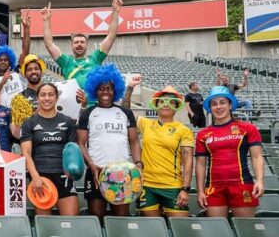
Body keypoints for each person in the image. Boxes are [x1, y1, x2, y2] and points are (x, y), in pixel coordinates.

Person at [77, 64, 141, 220]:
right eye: (101, 88)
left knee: (121, 219)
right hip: (96, 172)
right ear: (95, 91)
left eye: (109, 88)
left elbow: (133, 141)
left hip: (123, 173)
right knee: (97, 219)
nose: (105, 92)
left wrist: (138, 164)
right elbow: (80, 143)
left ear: (115, 90)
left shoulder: (125, 112)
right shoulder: (88, 113)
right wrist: (91, 166)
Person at [195, 86, 265, 217]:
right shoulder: (203, 134)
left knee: (247, 229)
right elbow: (200, 164)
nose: (218, 107)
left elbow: (257, 157)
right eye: (214, 104)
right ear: (210, 108)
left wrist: (260, 181)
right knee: (218, 232)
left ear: (230, 104)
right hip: (214, 188)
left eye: (222, 102)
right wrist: (200, 191)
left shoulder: (247, 128)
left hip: (242, 185)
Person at [41, 0, 123, 90]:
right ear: (72, 45)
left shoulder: (95, 58)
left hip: (93, 103)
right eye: (76, 42)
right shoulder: (66, 61)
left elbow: (110, 36)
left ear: (86, 44)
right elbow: (49, 44)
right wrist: (46, 21)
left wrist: (115, 12)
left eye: (82, 42)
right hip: (74, 104)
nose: (79, 44)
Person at [135, 85, 194, 217]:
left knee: (180, 228)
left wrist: (185, 189)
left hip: (172, 186)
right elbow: (125, 111)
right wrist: (129, 89)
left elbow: (188, 159)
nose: (166, 105)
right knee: (153, 230)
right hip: (147, 185)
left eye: (171, 102)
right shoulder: (145, 123)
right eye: (162, 101)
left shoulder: (184, 130)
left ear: (176, 106)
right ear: (156, 105)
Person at [20, 82, 79, 216]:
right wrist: (35, 177)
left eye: (51, 94)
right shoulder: (29, 122)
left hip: (64, 176)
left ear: (56, 98)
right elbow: (26, 153)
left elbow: (72, 152)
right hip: (40, 177)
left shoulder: (68, 122)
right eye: (43, 95)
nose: (47, 98)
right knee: (45, 227)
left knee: (72, 224)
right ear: (37, 98)